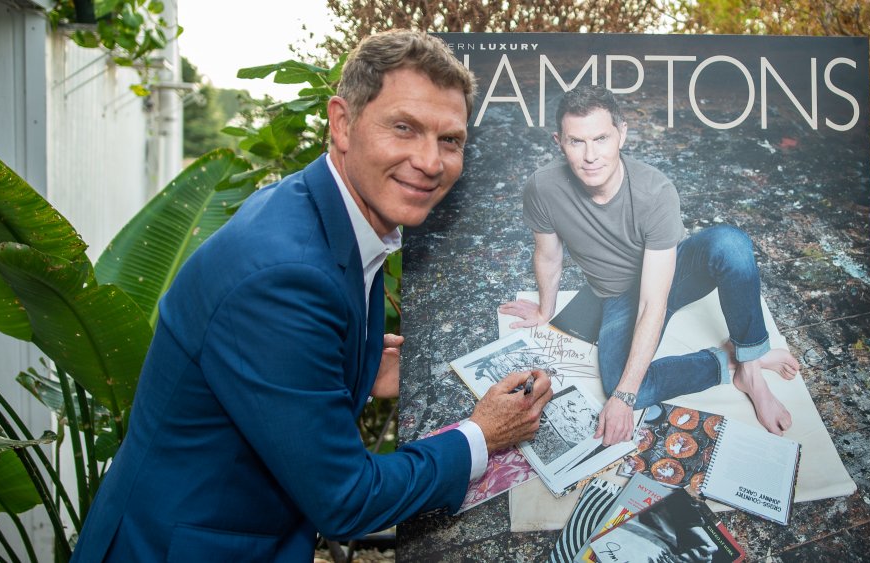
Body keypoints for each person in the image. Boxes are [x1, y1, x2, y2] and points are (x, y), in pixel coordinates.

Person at [72, 30, 552, 562]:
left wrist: (355, 367)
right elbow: (347, 499)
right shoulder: (285, 273)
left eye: (450, 140)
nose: (431, 161)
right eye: (404, 128)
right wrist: (482, 435)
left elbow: (266, 380)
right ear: (342, 123)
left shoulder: (323, 214)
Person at [499, 85, 799, 447]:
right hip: (615, 295)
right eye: (577, 141)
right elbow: (548, 254)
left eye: (601, 138)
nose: (591, 155)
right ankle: (725, 364)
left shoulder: (655, 191)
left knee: (731, 246)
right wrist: (545, 311)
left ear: (621, 134)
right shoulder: (542, 188)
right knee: (626, 386)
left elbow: (653, 302)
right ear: (559, 141)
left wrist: (622, 400)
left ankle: (751, 367)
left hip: (667, 274)